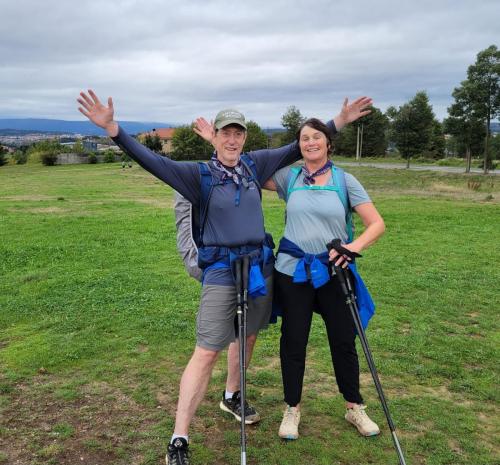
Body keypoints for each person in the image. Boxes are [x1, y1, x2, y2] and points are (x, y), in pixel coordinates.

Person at [77, 90, 371, 464]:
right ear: (213, 137)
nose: (232, 140)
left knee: (247, 335)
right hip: (221, 272)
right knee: (206, 350)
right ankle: (179, 438)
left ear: (244, 137)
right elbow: (150, 160)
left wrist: (341, 121)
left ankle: (233, 395)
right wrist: (114, 130)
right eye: (225, 133)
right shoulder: (195, 175)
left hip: (260, 269)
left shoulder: (254, 165)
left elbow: (299, 147)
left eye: (238, 133)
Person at [262, 117, 385, 440]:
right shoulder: (290, 177)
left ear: (329, 143)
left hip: (334, 272)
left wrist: (352, 247)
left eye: (317, 137)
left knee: (344, 340)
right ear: (297, 146)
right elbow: (255, 171)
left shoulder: (346, 181)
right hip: (293, 272)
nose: (311, 143)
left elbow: (376, 224)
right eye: (304, 139)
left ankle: (354, 407)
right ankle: (292, 409)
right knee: (293, 340)